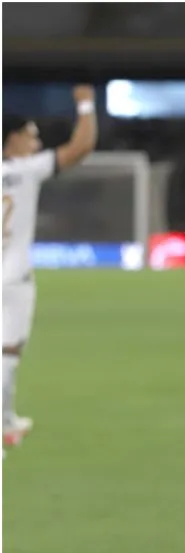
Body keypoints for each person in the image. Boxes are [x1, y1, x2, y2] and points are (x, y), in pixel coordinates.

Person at [3, 85, 98, 451]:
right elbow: (81, 147)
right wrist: (86, 105)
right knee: (8, 354)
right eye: (31, 134)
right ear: (12, 138)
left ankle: (7, 419)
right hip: (13, 278)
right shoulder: (27, 170)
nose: (37, 141)